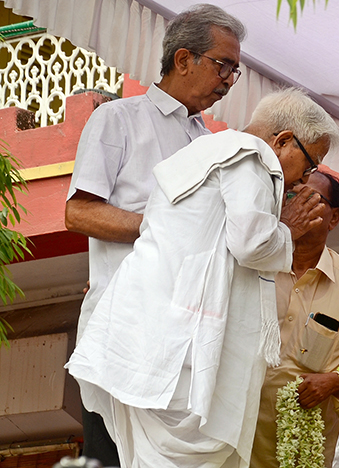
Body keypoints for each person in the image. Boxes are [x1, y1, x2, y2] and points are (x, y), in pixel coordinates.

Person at [66, 88, 339, 468]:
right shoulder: (252, 155)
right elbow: (251, 242)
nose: (305, 180)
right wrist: (287, 230)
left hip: (142, 341)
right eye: (311, 164)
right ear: (283, 141)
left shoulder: (202, 151)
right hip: (183, 353)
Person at [64, 4, 246, 464]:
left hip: (184, 341)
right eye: (223, 65)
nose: (228, 80)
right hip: (123, 333)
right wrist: (160, 227)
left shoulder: (209, 143)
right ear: (184, 59)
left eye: (235, 71)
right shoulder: (118, 119)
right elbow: (78, 213)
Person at [250, 171, 339, 468]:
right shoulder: (255, 268)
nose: (297, 205)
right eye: (291, 196)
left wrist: (334, 382)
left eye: (309, 198)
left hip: (306, 448)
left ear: (334, 218)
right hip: (240, 439)